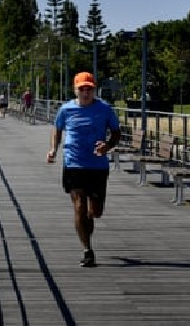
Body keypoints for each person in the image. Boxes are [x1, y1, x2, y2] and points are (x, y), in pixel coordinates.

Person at [46, 72, 121, 268]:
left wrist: (107, 145)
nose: (86, 92)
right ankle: (87, 250)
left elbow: (116, 132)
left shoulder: (104, 109)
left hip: (97, 165)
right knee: (78, 204)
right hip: (74, 163)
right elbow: (57, 128)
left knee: (94, 212)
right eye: (82, 89)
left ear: (94, 90)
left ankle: (88, 221)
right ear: (75, 90)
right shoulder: (66, 109)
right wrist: (54, 149)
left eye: (89, 89)